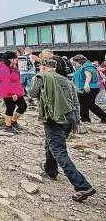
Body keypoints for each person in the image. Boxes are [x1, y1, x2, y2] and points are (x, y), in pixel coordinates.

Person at [29, 58, 96, 202]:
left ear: (44, 67)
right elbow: (75, 101)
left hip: (54, 118)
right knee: (51, 143)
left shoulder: (41, 77)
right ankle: (51, 170)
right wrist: (76, 122)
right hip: (69, 116)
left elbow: (32, 94)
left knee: (58, 149)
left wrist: (34, 79)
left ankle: (81, 185)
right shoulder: (66, 80)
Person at [0, 51, 27, 133]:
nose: (17, 59)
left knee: (23, 106)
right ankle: (8, 126)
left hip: (16, 91)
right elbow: (5, 82)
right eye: (16, 57)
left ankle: (13, 121)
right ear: (10, 59)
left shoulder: (11, 67)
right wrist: (12, 93)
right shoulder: (4, 68)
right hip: (8, 92)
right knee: (10, 107)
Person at [71, 55, 106, 123]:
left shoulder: (87, 66)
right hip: (85, 87)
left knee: (90, 104)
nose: (74, 64)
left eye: (75, 62)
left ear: (79, 61)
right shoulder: (83, 66)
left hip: (91, 87)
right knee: (83, 103)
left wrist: (86, 85)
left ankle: (104, 117)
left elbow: (88, 75)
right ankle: (85, 117)